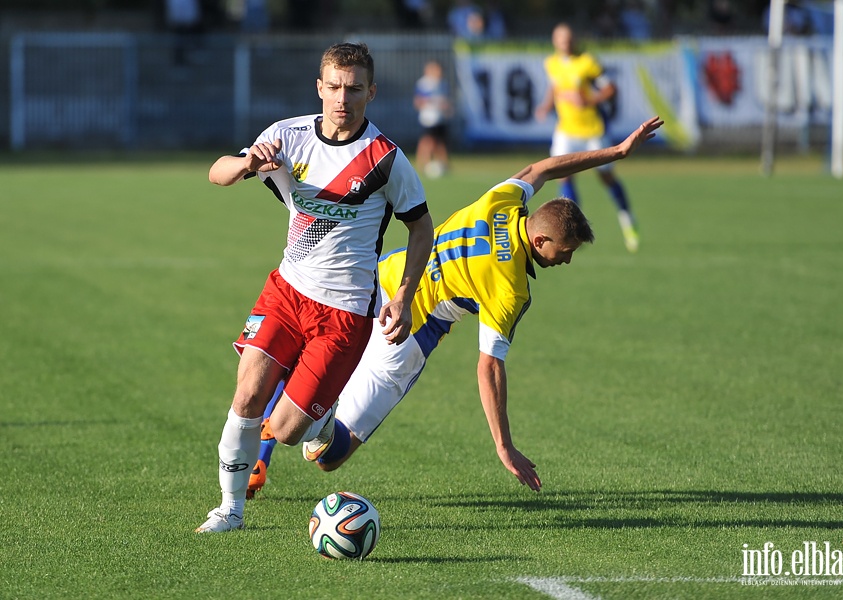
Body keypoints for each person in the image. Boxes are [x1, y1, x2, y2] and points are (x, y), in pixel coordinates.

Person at [245, 116, 664, 498]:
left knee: (310, 358)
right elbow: (489, 367)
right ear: (540, 242)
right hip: (406, 333)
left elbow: (543, 168)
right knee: (329, 456)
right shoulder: (510, 288)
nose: (567, 260)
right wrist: (504, 446)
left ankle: (276, 433)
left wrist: (617, 152)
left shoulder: (500, 201)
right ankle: (316, 415)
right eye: (566, 251)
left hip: (374, 286)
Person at [196, 42, 435, 533]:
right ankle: (229, 509)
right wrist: (246, 165)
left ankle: (322, 423)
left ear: (371, 92)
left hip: (345, 314)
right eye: (333, 87)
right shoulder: (287, 137)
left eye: (353, 89)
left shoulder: (386, 160)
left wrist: (405, 297)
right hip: (286, 291)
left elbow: (421, 227)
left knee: (285, 432)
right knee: (247, 397)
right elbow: (216, 173)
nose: (342, 99)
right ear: (319, 88)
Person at [534, 23, 641, 254]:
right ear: (555, 42)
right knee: (563, 177)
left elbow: (611, 89)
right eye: (561, 39)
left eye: (569, 38)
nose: (565, 43)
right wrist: (545, 105)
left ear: (574, 39)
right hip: (566, 131)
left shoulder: (587, 62)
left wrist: (589, 101)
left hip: (592, 130)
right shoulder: (551, 63)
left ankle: (628, 220)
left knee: (607, 178)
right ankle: (572, 230)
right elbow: (554, 87)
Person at [414, 60, 453, 178]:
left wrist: (446, 107)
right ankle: (422, 163)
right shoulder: (424, 83)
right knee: (428, 141)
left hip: (440, 117)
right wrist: (431, 102)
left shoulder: (443, 83)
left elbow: (446, 100)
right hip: (429, 117)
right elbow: (418, 101)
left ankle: (444, 163)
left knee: (441, 141)